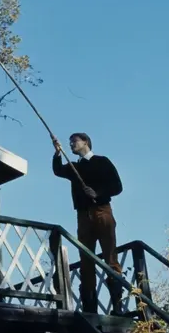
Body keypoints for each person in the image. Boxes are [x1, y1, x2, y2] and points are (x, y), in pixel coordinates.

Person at [52, 132, 123, 314]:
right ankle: (90, 308)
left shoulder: (102, 161)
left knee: (110, 256)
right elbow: (58, 170)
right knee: (86, 259)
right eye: (70, 142)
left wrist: (97, 193)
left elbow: (117, 186)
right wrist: (57, 153)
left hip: (102, 211)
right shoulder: (74, 167)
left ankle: (117, 305)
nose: (71, 144)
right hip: (83, 215)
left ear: (86, 142)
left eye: (74, 141)